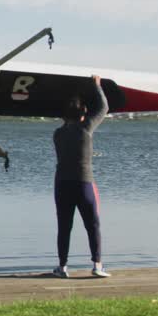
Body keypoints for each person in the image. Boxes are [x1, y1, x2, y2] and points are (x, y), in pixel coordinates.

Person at [51, 74, 110, 278]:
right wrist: (97, 86)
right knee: (92, 224)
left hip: (62, 184)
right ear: (83, 115)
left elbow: (69, 120)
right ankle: (97, 266)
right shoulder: (85, 130)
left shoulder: (57, 134)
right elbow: (103, 108)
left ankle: (63, 267)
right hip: (84, 183)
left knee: (64, 226)